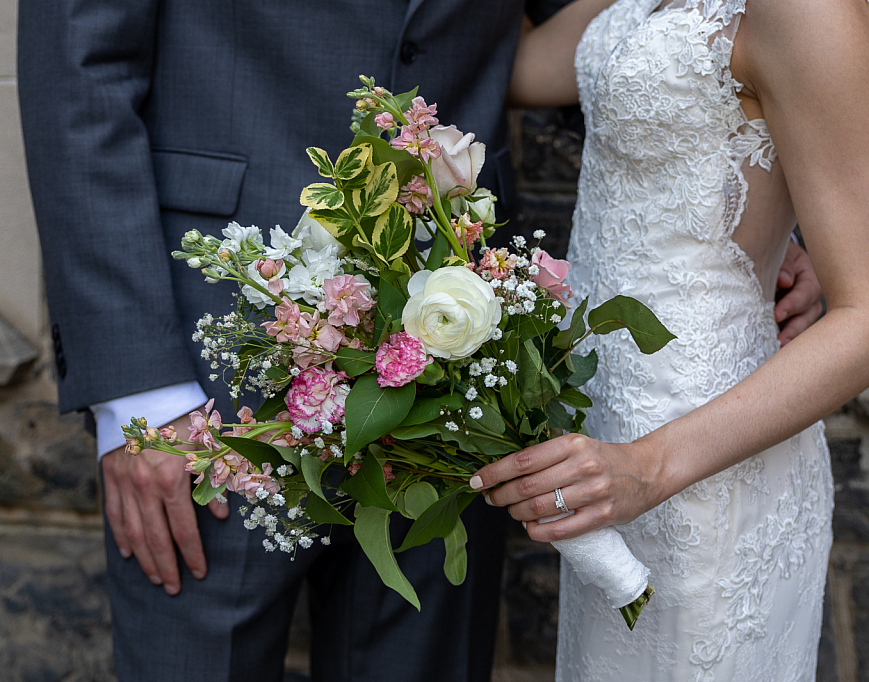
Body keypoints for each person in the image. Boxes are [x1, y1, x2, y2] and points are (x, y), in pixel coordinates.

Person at [17, 0, 825, 679]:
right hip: (212, 350)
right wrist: (140, 394)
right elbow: (78, 76)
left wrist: (745, 213)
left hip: (466, 347)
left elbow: (639, 21)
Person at [474, 1, 869, 681]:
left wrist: (647, 468)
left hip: (703, 458)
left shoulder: (812, 11)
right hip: (603, 446)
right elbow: (526, 68)